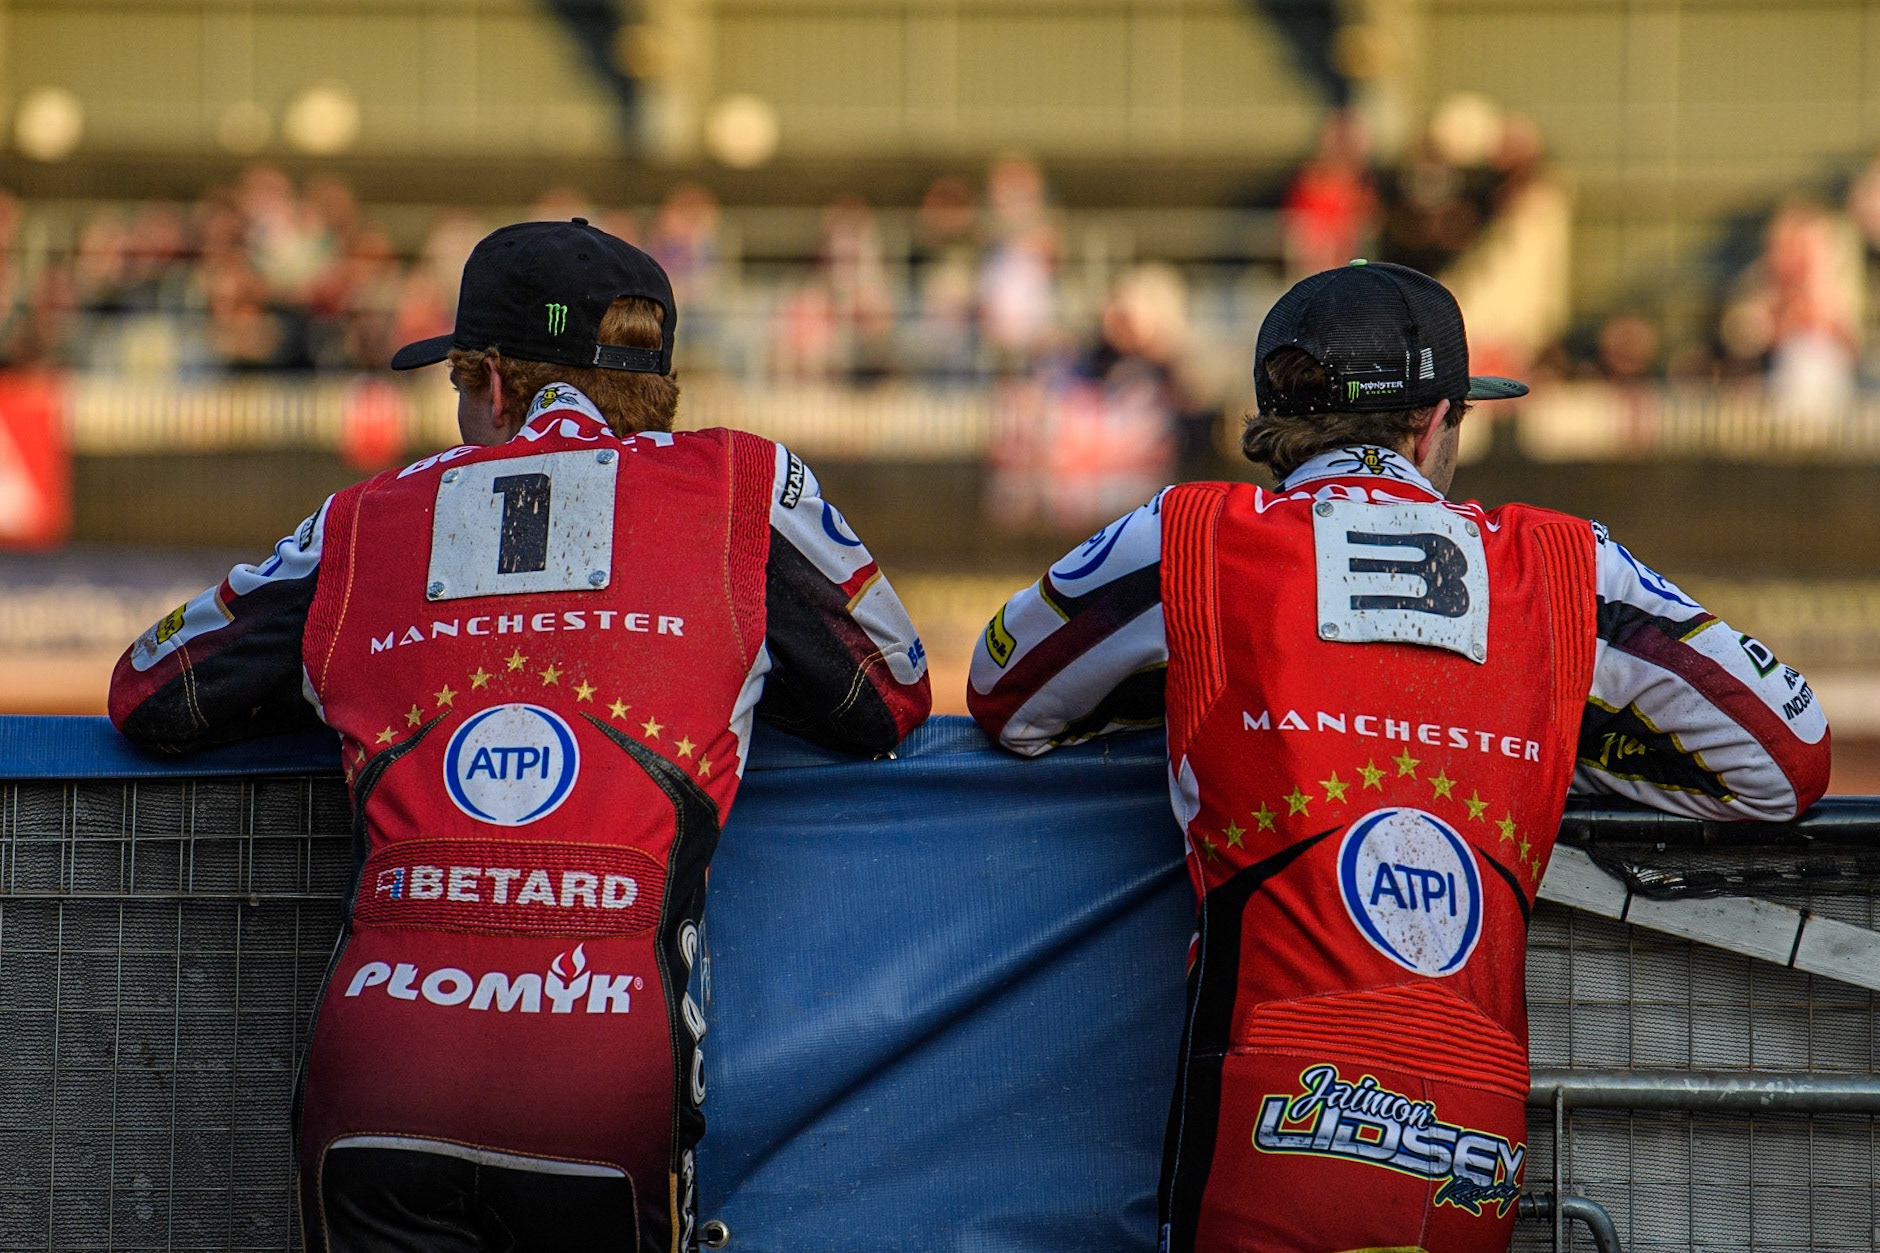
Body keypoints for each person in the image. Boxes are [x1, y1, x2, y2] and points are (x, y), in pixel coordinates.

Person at [966, 260, 1831, 1253]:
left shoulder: (1190, 533)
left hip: (1269, 1097)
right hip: (1476, 1126)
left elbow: (1006, 698)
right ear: (1432, 424)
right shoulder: (1563, 560)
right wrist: (1553, 728)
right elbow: (1785, 756)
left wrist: (1205, 687)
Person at [109, 218, 932, 1252]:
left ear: (492, 381)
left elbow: (151, 687)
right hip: (604, 1073)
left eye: (457, 383)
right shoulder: (744, 484)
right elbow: (890, 688)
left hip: (380, 1063)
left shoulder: (363, 516)